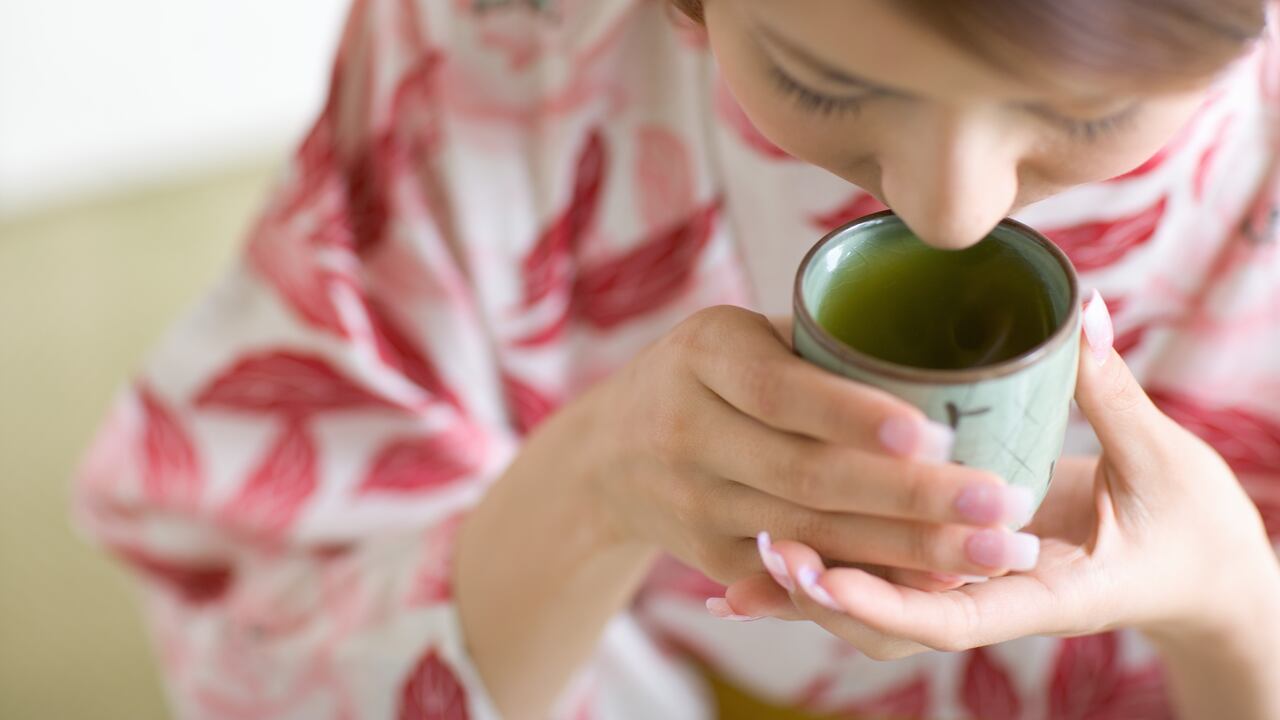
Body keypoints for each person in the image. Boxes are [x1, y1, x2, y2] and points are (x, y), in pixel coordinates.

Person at [76, 0, 1280, 717]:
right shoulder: (502, 46)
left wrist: (1228, 602)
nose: (947, 210)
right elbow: (260, 624)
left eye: (1086, 111)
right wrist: (598, 477)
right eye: (817, 79)